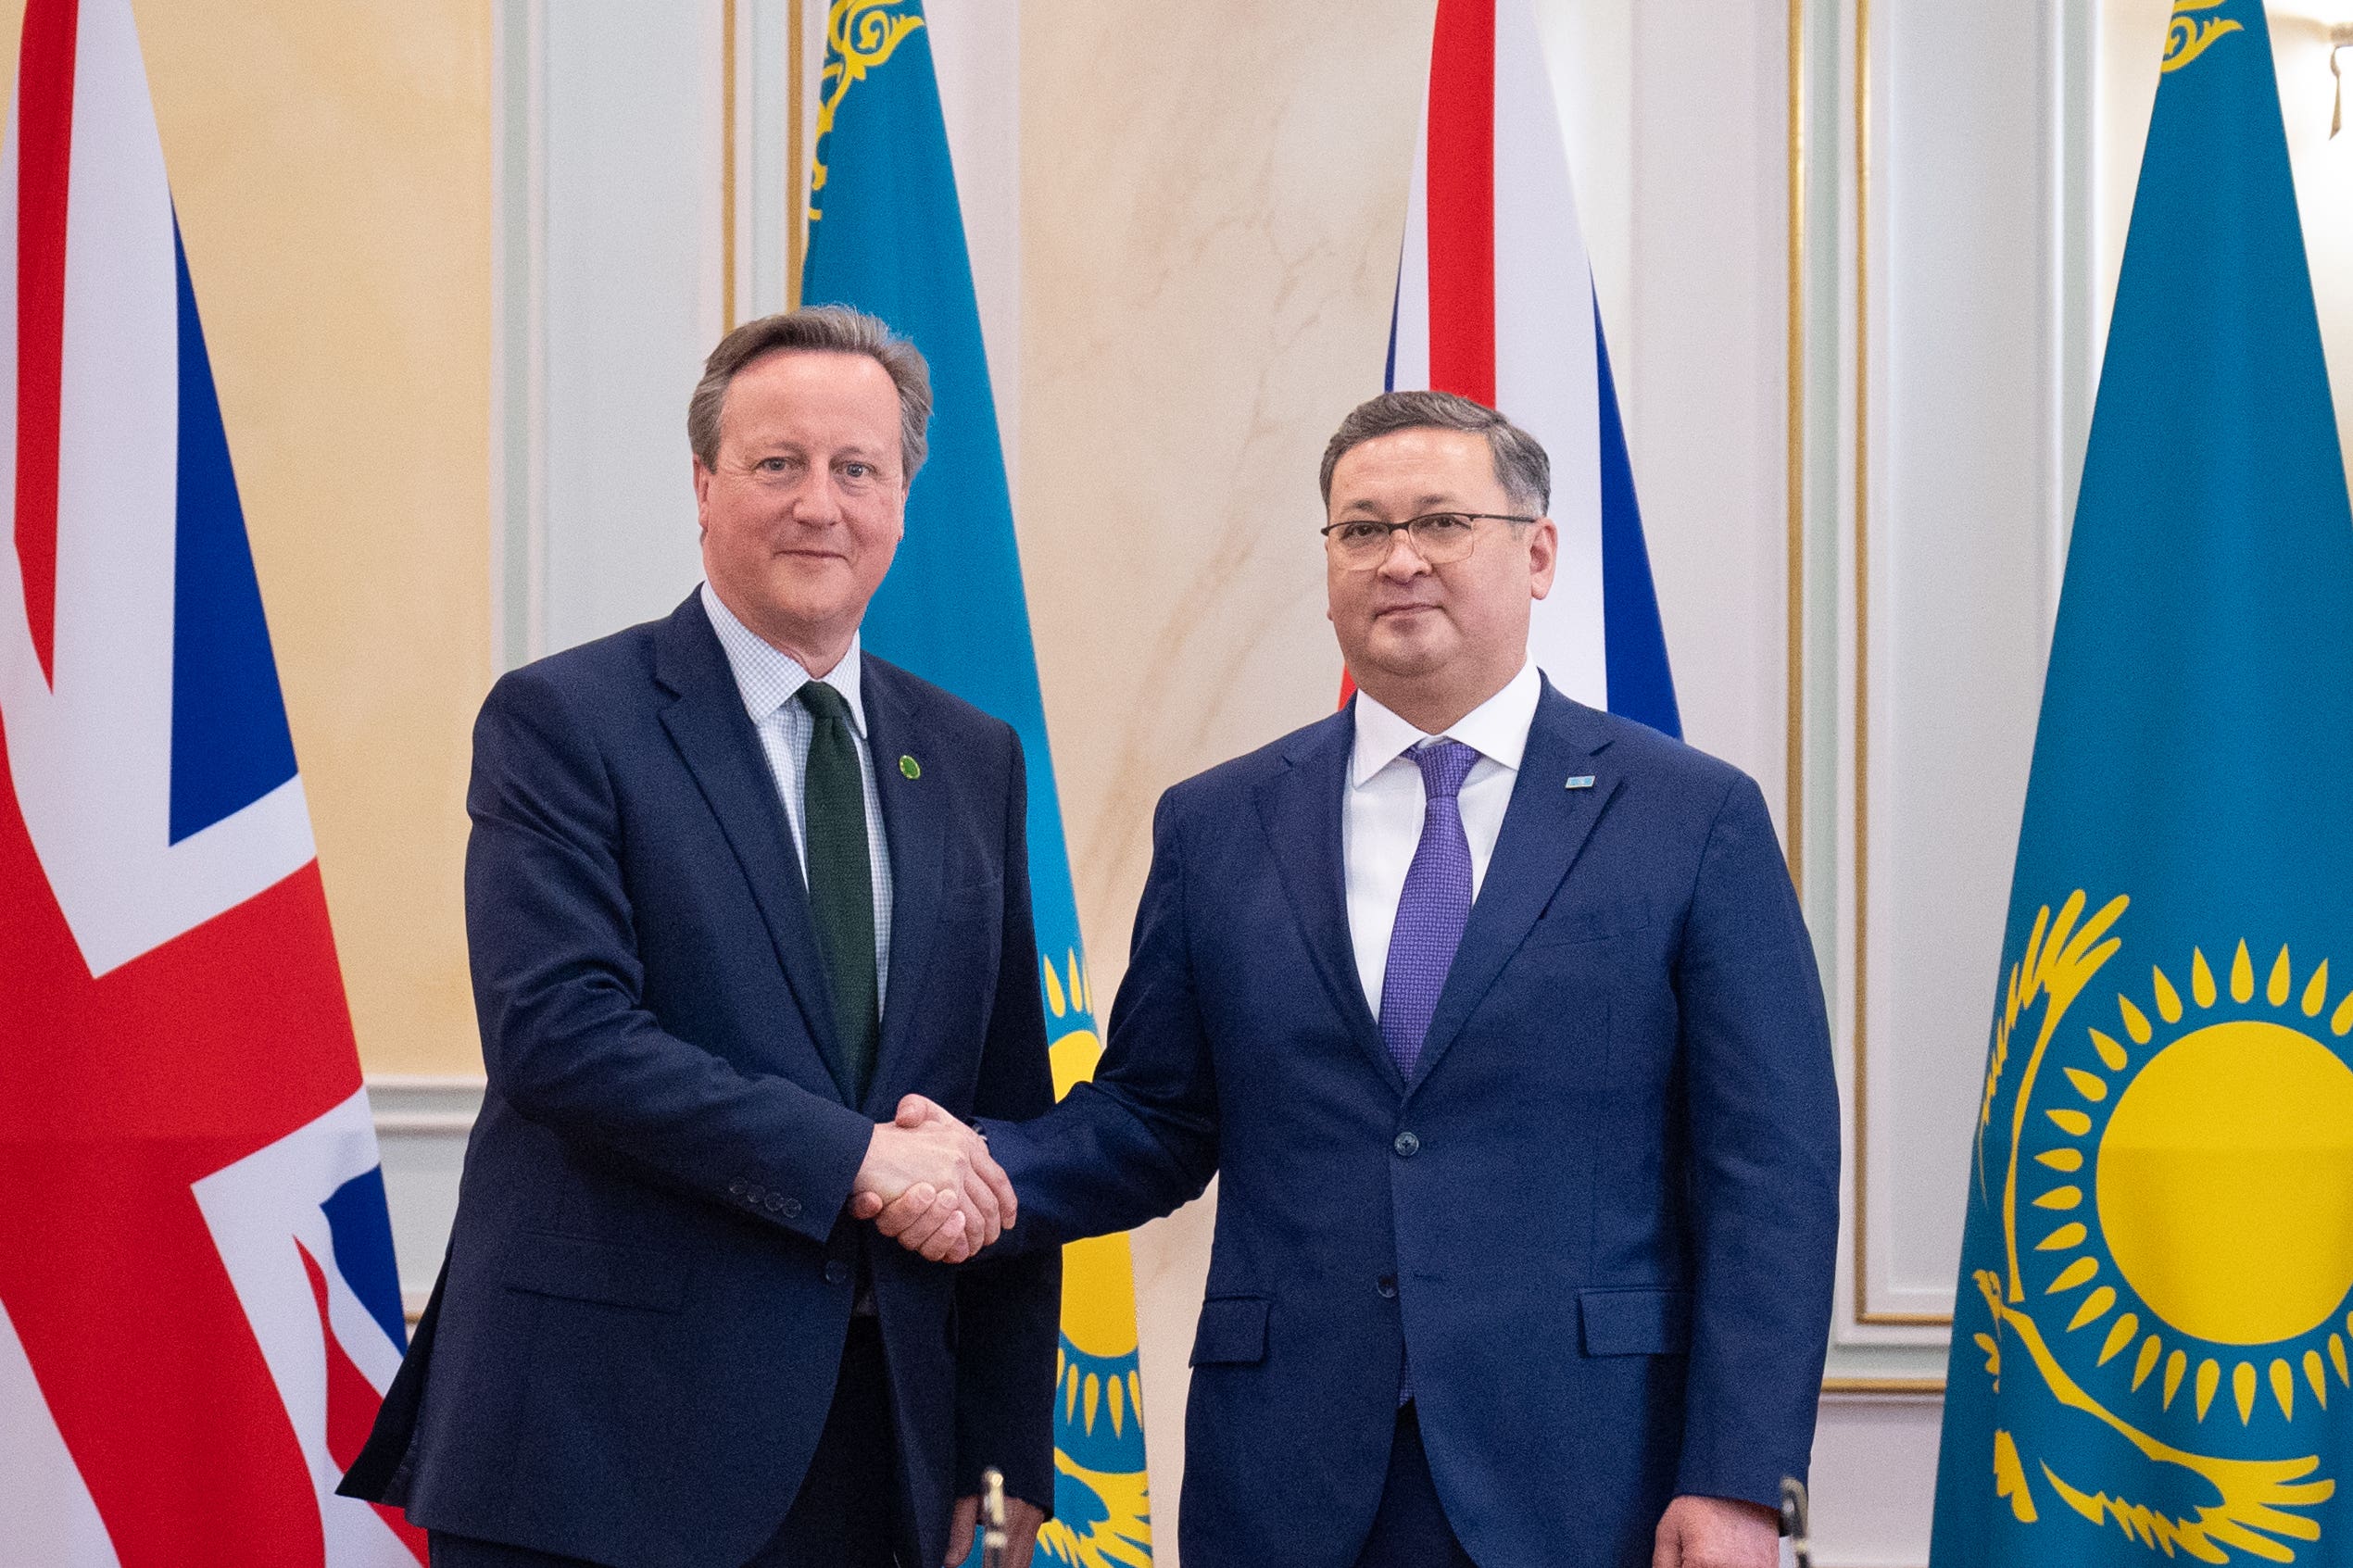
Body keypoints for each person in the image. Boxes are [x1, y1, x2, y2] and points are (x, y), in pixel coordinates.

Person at [866, 390, 1840, 1567]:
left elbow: (1766, 1173)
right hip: (1289, 1471)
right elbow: (1153, 1118)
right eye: (1361, 530)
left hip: (1591, 1472)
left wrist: (1738, 1478)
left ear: (1536, 554)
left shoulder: (1689, 816)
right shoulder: (1219, 822)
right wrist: (966, 1166)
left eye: (1442, 523)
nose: (1400, 560)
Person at [341, 306, 1058, 1568]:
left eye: (858, 469)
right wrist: (856, 1161)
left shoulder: (970, 754)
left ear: (903, 498)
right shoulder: (565, 720)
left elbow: (996, 1114)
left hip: (877, 1453)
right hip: (598, 1446)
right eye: (777, 464)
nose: (818, 506)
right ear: (703, 484)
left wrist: (998, 1454)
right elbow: (559, 1035)